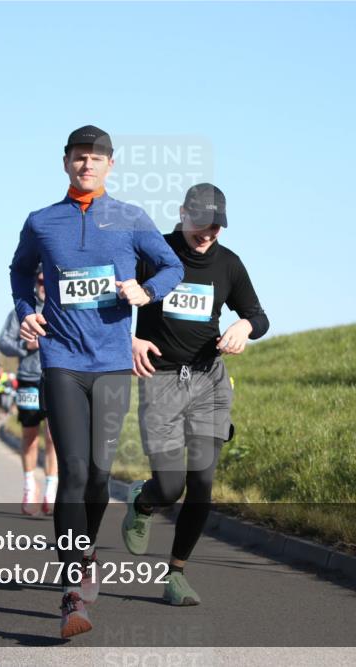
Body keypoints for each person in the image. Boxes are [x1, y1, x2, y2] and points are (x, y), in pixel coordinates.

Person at [9, 125, 183, 638]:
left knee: (101, 477)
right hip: (60, 358)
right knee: (76, 471)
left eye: (96, 158)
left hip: (110, 361)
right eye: (79, 157)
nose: (87, 165)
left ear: (111, 165)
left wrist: (145, 291)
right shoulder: (42, 222)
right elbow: (19, 272)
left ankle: (84, 553)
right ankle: (73, 590)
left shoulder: (130, 219)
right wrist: (27, 311)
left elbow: (172, 266)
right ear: (65, 163)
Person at [121, 183, 268, 606]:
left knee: (201, 483)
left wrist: (244, 327)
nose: (207, 234)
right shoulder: (154, 251)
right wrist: (130, 339)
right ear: (183, 213)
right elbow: (115, 299)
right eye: (200, 224)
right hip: (161, 378)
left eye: (216, 227)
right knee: (170, 486)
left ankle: (176, 574)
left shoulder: (229, 264)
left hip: (209, 382)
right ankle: (143, 501)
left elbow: (258, 315)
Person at [0, 267, 58, 516]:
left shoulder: (61, 307)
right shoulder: (21, 311)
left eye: (47, 280)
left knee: (55, 438)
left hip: (57, 378)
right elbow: (4, 342)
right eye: (39, 280)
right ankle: (29, 486)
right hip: (29, 379)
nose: (43, 284)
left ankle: (51, 491)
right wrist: (26, 345)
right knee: (30, 435)